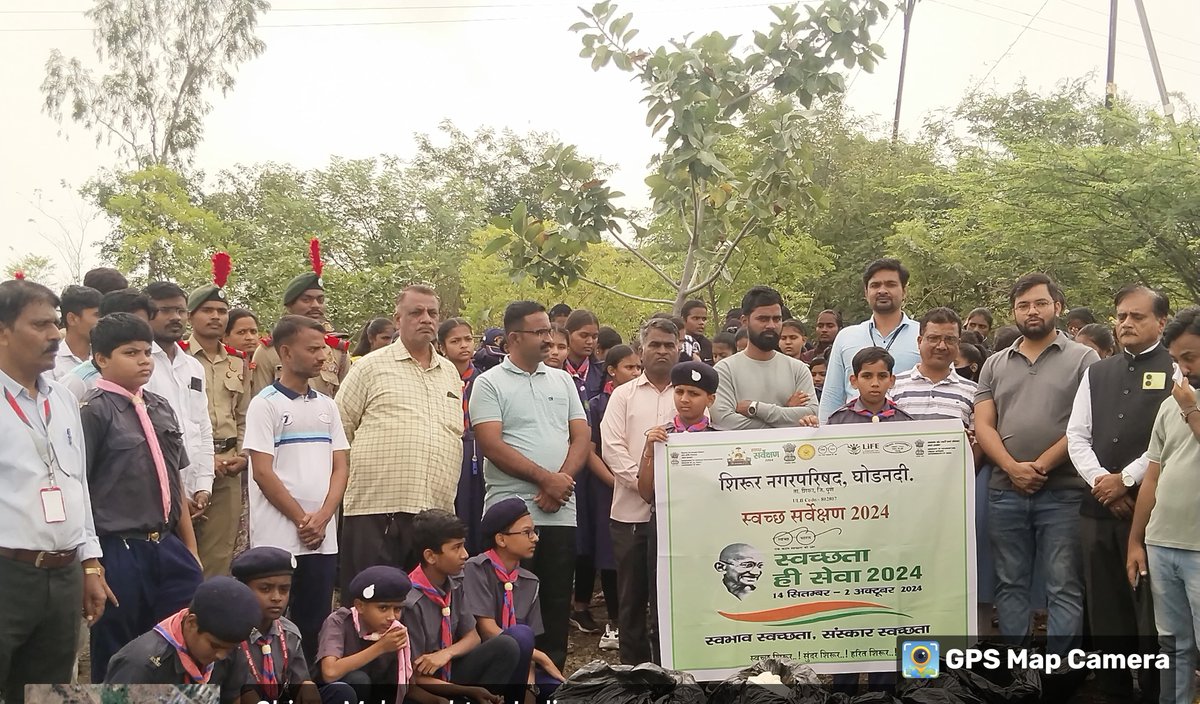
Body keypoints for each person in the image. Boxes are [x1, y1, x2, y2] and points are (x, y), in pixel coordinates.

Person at [975, 273, 1100, 658]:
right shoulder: (994, 364)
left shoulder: (1084, 358)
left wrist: (1040, 466)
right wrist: (1013, 468)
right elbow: (983, 425)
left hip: (1062, 491)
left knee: (1063, 584)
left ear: (1057, 307)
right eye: (1023, 305)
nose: (1032, 311)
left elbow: (1086, 424)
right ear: (1013, 311)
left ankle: (1060, 672)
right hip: (1004, 489)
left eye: (1040, 303)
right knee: (1009, 583)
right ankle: (1017, 670)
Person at [0, 279, 110, 704]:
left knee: (46, 694)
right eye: (40, 325)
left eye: (55, 324)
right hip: (8, 574)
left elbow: (77, 483)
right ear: (4, 331)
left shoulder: (63, 398)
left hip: (63, 575)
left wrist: (90, 565)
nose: (55, 335)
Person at [80, 312, 205, 682]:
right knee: (119, 648)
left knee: (177, 641)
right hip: (119, 547)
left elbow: (175, 482)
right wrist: (91, 561)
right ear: (101, 359)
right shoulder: (93, 411)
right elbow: (79, 486)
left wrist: (191, 550)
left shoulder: (158, 405)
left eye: (147, 352)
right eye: (130, 353)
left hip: (165, 544)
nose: (144, 361)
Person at [469, 301, 590, 672]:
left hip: (560, 511)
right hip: (510, 514)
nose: (547, 339)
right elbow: (491, 444)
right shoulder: (488, 383)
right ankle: (511, 684)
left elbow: (581, 435)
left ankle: (551, 682)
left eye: (548, 332)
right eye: (539, 333)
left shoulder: (563, 379)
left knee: (554, 602)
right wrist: (545, 479)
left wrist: (561, 482)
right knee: (508, 606)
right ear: (513, 338)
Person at [1065, 285, 1170, 703]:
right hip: (1097, 510)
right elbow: (1076, 436)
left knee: (1150, 610)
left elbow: (1171, 440)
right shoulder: (1098, 371)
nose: (1126, 323)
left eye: (1137, 317)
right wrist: (1103, 484)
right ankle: (1111, 687)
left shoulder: (1177, 369)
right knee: (1104, 605)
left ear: (1161, 321)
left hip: (1151, 511)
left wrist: (1126, 479)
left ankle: (1155, 691)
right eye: (1122, 316)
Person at [336, 285, 463, 590]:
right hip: (376, 507)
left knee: (425, 607)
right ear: (398, 318)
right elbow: (340, 429)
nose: (426, 319)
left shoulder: (450, 373)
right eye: (416, 312)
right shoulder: (369, 366)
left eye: (432, 313)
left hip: (434, 510)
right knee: (371, 605)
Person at [244, 315, 351, 665]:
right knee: (269, 619)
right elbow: (262, 471)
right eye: (314, 348)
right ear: (286, 353)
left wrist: (322, 518)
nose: (323, 356)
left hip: (322, 538)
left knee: (315, 619)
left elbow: (340, 465)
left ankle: (310, 685)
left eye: (324, 348)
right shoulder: (266, 404)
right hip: (279, 535)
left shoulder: (327, 405)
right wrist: (302, 520)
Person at [1126, 306, 1200, 704]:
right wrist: (1137, 541)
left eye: (1191, 357)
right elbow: (1152, 476)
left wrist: (1191, 407)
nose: (1183, 368)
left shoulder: (1183, 403)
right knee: (1173, 647)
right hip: (1162, 543)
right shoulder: (1170, 404)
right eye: (1177, 360)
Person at [600, 318, 680, 665]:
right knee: (632, 601)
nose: (662, 351)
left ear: (679, 348)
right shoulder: (623, 395)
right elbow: (612, 448)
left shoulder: (691, 393)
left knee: (671, 601)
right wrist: (645, 485)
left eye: (669, 345)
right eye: (655, 345)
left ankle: (670, 673)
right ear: (641, 350)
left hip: (679, 515)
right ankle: (633, 677)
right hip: (630, 514)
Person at [403, 510, 515, 704]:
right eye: (456, 548)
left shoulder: (455, 583)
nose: (465, 555)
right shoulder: (409, 601)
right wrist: (469, 690)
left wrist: (445, 654)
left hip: (451, 669)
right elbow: (413, 676)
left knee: (507, 646)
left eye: (463, 545)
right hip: (422, 688)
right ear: (430, 556)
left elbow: (473, 637)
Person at [186, 253, 252, 578]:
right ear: (190, 316)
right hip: (188, 466)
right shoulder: (177, 359)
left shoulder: (238, 362)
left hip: (228, 467)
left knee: (220, 555)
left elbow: (243, 416)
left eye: (222, 311)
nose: (216, 317)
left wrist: (241, 456)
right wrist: (202, 460)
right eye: (207, 310)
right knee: (184, 552)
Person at [461, 498, 565, 697]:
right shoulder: (476, 569)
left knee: (557, 689)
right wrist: (541, 656)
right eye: (527, 532)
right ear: (501, 539)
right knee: (519, 636)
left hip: (520, 663)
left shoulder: (530, 582)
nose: (535, 538)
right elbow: (487, 630)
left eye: (535, 532)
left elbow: (529, 643)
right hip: (485, 663)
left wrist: (531, 687)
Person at [143, 281, 217, 529]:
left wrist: (203, 486)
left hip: (195, 492)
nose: (175, 317)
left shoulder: (193, 367)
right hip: (153, 495)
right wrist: (174, 493)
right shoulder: (141, 365)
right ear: (146, 315)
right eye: (165, 310)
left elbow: (202, 427)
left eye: (180, 311)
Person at [105, 576, 261, 685]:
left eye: (230, 649)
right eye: (214, 646)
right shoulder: (140, 665)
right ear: (191, 623)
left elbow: (231, 698)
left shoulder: (230, 647)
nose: (221, 655)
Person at [586, 344, 640, 652]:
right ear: (611, 370)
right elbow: (593, 450)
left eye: (637, 368)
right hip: (607, 486)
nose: (634, 373)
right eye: (628, 368)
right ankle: (614, 620)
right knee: (610, 555)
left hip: (642, 487)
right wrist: (617, 480)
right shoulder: (598, 404)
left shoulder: (650, 398)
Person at [819, 259, 920, 422]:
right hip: (854, 433)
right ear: (866, 293)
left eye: (891, 284)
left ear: (904, 291)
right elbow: (832, 397)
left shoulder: (924, 336)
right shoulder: (846, 337)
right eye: (875, 285)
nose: (882, 290)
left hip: (907, 433)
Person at [252, 239, 351, 398]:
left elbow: (345, 403)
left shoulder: (338, 352)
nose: (315, 305)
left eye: (320, 300)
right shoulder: (267, 352)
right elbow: (259, 398)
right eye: (306, 300)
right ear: (290, 306)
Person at [711, 286, 818, 430]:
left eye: (777, 319)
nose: (771, 325)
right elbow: (725, 420)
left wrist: (755, 408)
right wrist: (786, 418)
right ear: (744, 321)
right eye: (763, 319)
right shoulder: (724, 370)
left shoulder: (798, 369)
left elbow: (811, 413)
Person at [562, 310, 606, 635]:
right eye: (583, 336)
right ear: (568, 336)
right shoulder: (555, 372)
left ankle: (582, 605)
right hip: (561, 463)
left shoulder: (602, 374)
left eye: (594, 336)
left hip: (595, 464)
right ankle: (558, 604)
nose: (589, 342)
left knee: (591, 534)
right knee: (567, 536)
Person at [227, 546, 319, 702]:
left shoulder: (290, 633)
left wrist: (306, 684)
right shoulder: (228, 633)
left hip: (278, 697)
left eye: (284, 589)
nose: (277, 597)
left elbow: (299, 680)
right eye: (265, 589)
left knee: (338, 691)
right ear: (243, 589)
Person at [316, 566, 413, 702]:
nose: (391, 617)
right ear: (360, 606)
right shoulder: (339, 621)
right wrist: (381, 647)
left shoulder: (396, 628)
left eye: (397, 609)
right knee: (358, 679)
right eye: (383, 608)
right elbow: (329, 672)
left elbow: (407, 679)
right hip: (339, 695)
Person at [637, 360, 719, 504]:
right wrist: (649, 451)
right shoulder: (660, 436)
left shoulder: (720, 438)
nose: (684, 399)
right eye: (679, 392)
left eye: (693, 394)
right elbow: (645, 493)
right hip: (667, 519)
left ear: (710, 399)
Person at [439, 318, 485, 554]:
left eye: (468, 339)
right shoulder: (436, 380)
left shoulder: (485, 380)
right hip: (446, 450)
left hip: (478, 451)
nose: (464, 345)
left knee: (475, 508)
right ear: (442, 347)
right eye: (455, 341)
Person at [61, 288, 156, 399]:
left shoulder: (147, 369)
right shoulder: (78, 381)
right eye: (131, 353)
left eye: (142, 323)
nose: (137, 330)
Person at [890, 308, 976, 429]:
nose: (941, 346)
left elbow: (976, 443)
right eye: (933, 338)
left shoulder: (973, 392)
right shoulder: (892, 387)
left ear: (958, 344)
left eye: (950, 339)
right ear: (920, 342)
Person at [825, 347, 914, 426]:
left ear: (891, 381)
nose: (875, 383)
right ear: (854, 381)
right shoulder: (838, 421)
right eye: (867, 376)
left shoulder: (905, 421)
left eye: (882, 376)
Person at [53, 285, 101, 380]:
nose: (103, 320)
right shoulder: (51, 363)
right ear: (72, 319)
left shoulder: (106, 357)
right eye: (97, 315)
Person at [679, 300, 712, 364]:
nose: (701, 323)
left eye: (704, 319)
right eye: (696, 318)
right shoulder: (674, 344)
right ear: (683, 320)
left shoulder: (709, 346)